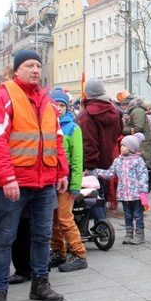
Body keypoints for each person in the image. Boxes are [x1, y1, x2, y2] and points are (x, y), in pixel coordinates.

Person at [0, 50, 69, 301]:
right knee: (4, 239)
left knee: (42, 236)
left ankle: (40, 284)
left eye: (38, 65)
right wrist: (7, 177)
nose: (35, 69)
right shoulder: (2, 97)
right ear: (17, 69)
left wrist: (62, 171)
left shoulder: (47, 101)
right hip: (14, 183)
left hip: (44, 182)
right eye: (29, 65)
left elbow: (57, 140)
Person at [49, 88, 87, 272]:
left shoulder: (73, 128)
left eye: (62, 105)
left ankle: (79, 254)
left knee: (65, 218)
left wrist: (75, 186)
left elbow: (78, 159)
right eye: (55, 104)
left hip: (67, 178)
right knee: (54, 220)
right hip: (51, 179)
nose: (58, 108)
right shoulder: (48, 125)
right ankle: (59, 251)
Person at [76, 78, 123, 222]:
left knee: (92, 195)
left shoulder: (87, 115)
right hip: (108, 159)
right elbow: (119, 132)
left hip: (91, 163)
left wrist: (90, 166)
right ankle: (101, 226)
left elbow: (88, 143)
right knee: (100, 193)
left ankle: (101, 226)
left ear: (87, 93)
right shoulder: (113, 110)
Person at [95, 133, 149, 244]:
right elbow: (110, 173)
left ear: (131, 148)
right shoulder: (117, 161)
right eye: (121, 145)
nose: (121, 147)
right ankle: (128, 234)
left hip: (136, 195)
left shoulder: (138, 161)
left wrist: (143, 192)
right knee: (127, 215)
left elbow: (143, 177)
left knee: (138, 215)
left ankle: (139, 235)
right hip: (124, 195)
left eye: (124, 146)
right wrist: (95, 172)